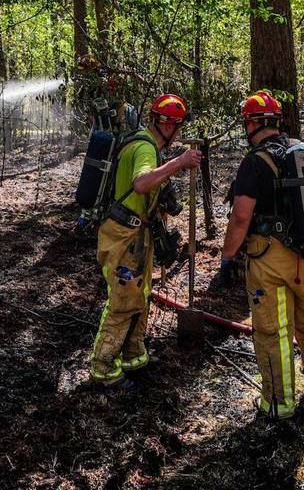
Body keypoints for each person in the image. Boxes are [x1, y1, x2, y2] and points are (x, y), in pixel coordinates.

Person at [221, 91, 304, 419]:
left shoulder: (255, 162)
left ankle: (279, 403)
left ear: (252, 123)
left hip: (269, 258)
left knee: (273, 331)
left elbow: (241, 216)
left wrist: (227, 258)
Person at [88, 93, 201, 390]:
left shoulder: (142, 142)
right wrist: (180, 162)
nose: (177, 133)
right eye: (176, 126)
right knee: (124, 301)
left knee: (141, 294)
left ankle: (134, 356)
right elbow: (141, 183)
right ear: (167, 126)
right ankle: (102, 368)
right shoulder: (145, 148)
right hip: (123, 236)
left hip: (137, 235)